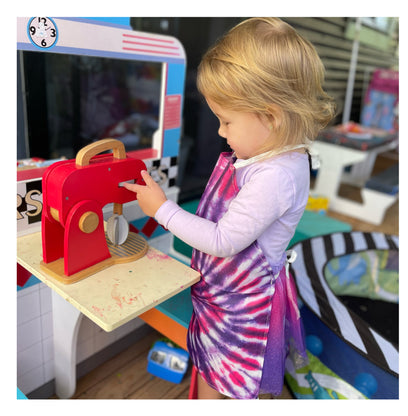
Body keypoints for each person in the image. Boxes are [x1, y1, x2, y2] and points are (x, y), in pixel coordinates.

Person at [123, 17, 335, 399]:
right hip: (222, 296)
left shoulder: (275, 176)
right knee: (212, 367)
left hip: (241, 309)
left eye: (226, 121)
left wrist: (161, 209)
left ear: (271, 116)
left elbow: (222, 240)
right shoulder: (269, 154)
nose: (220, 131)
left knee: (226, 379)